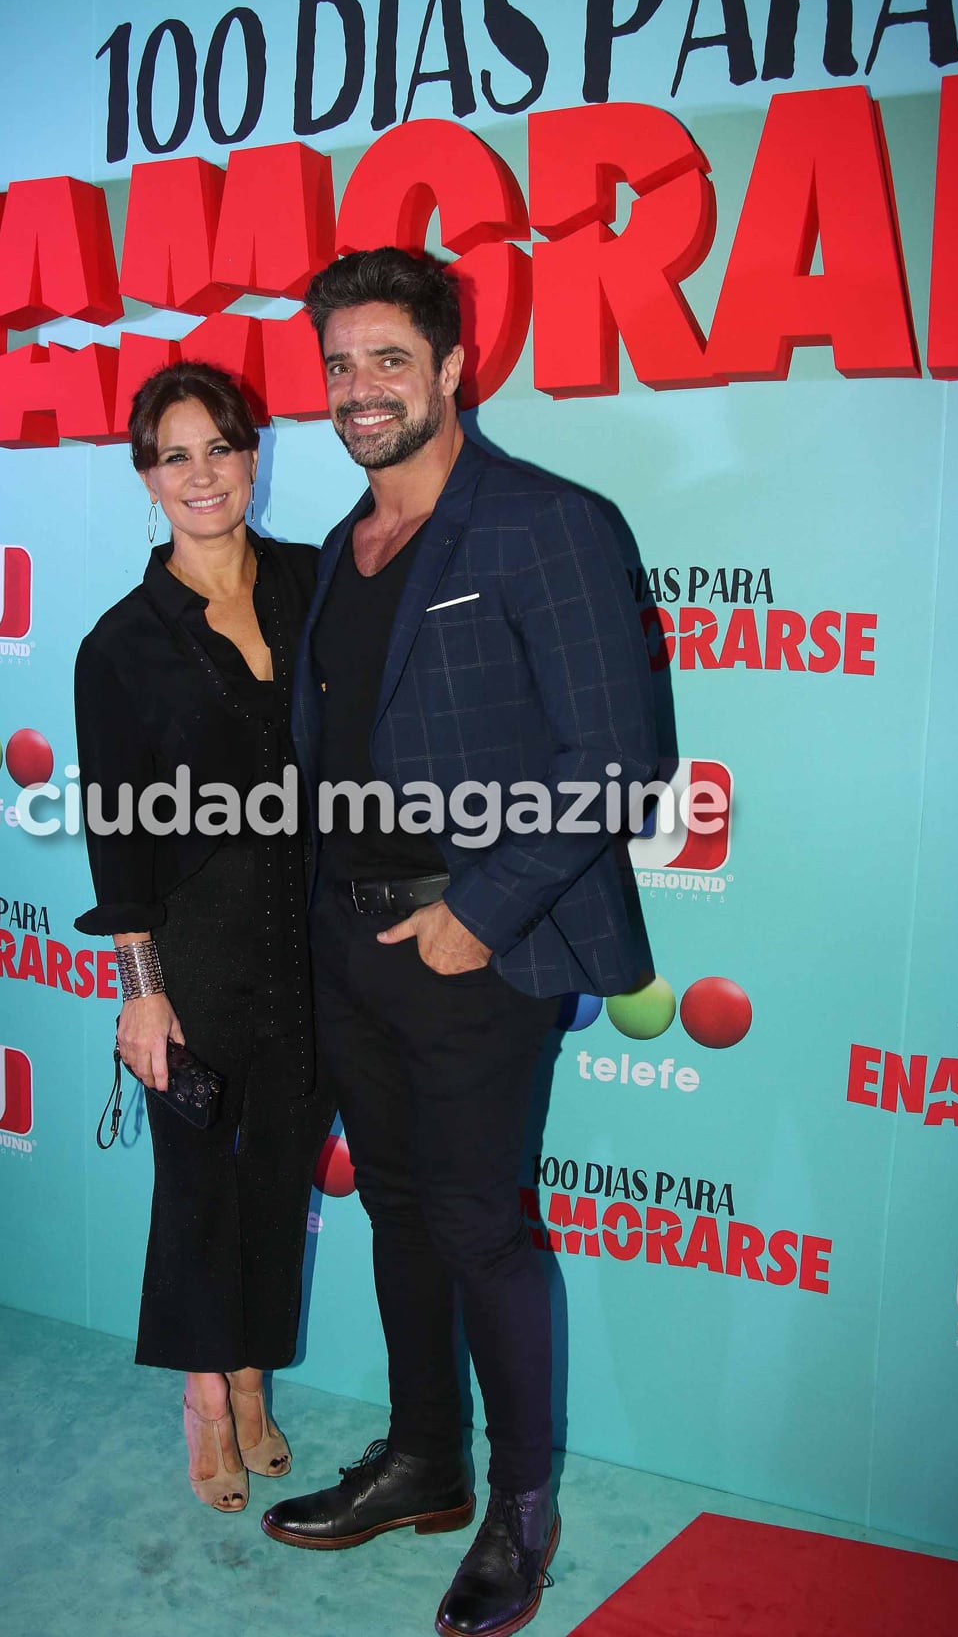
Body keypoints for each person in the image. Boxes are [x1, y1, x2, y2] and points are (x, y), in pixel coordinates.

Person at [261, 249, 657, 1637]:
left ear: (450, 370)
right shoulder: (341, 545)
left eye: (385, 360)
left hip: (482, 946)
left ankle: (519, 1509)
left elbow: (616, 757)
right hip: (348, 940)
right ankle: (423, 1456)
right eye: (338, 365)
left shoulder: (545, 522)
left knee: (482, 1229)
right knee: (395, 1210)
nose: (357, 391)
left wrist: (474, 917)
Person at [73, 361, 334, 1515]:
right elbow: (115, 837)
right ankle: (203, 1401)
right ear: (146, 476)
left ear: (253, 455)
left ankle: (252, 1372)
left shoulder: (319, 584)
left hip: (317, 937)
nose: (201, 474)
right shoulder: (120, 644)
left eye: (219, 447)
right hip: (197, 943)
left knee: (279, 1179)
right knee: (196, 1180)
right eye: (174, 454)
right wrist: (142, 989)